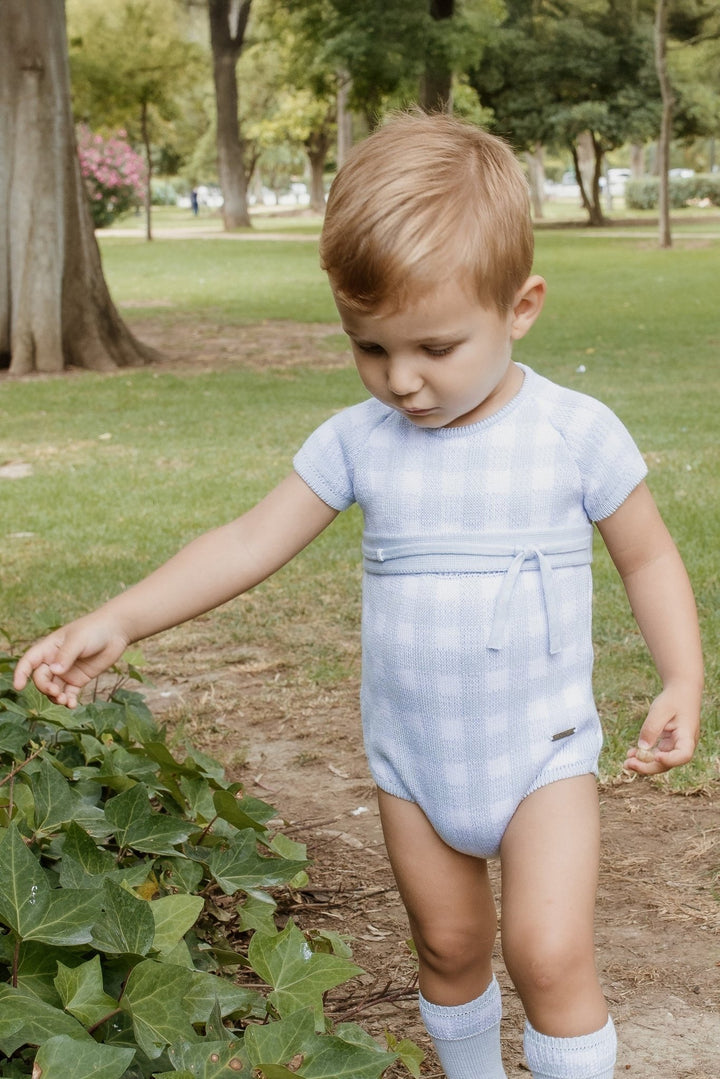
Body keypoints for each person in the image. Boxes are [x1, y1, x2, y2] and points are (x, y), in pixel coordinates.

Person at [13, 113, 703, 1079]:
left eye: (433, 346)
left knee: (548, 952)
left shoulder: (573, 433)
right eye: (370, 349)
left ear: (522, 305)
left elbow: (649, 559)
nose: (404, 381)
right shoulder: (359, 441)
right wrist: (118, 616)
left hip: (542, 754)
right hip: (414, 763)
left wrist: (681, 674)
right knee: (448, 948)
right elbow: (249, 540)